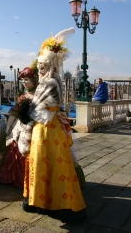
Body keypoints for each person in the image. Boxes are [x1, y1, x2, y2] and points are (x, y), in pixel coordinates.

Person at [22, 28, 87, 223]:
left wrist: (27, 114)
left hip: (46, 128)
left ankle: (54, 204)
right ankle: (43, 201)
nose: (40, 70)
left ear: (50, 66)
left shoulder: (49, 82)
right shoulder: (53, 80)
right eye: (39, 66)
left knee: (45, 162)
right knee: (45, 163)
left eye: (43, 66)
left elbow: (42, 109)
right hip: (49, 128)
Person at [0, 66, 38, 189]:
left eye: (27, 80)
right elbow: (15, 111)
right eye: (22, 81)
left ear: (33, 81)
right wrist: (9, 125)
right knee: (13, 146)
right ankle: (13, 177)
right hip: (20, 126)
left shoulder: (39, 94)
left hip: (34, 125)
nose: (24, 83)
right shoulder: (23, 95)